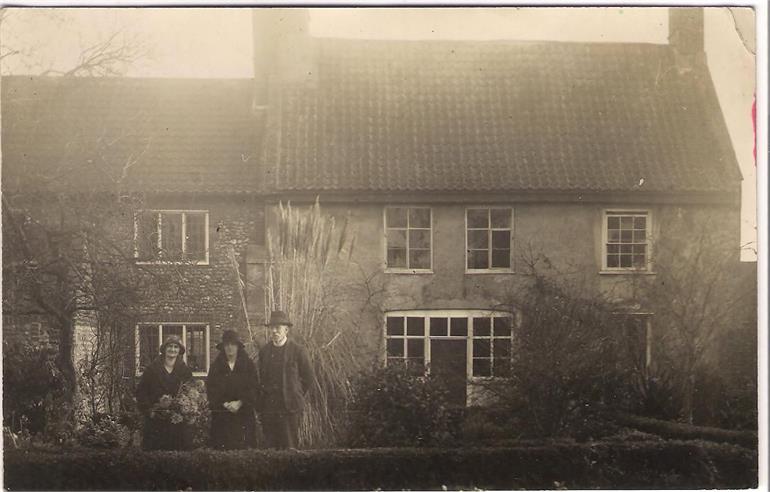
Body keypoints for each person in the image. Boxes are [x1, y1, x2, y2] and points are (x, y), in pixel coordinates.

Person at [258, 310, 315, 449]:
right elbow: (262, 378)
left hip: (290, 408)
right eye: (272, 327)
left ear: (286, 330)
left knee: (289, 447)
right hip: (270, 409)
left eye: (278, 327)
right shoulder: (264, 352)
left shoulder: (298, 351)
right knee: (271, 448)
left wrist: (295, 392)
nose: (274, 331)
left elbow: (308, 377)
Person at [135, 335, 194, 450]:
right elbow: (141, 392)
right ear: (164, 349)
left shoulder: (185, 370)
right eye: (170, 346)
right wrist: (149, 410)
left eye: (176, 347)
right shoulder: (152, 369)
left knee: (178, 454)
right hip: (156, 421)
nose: (172, 349)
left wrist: (185, 409)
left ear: (179, 350)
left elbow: (191, 392)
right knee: (156, 454)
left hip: (178, 422)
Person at [207, 329, 259, 450]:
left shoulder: (248, 365)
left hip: (243, 415)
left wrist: (240, 402)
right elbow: (211, 388)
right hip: (222, 415)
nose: (230, 347)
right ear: (223, 347)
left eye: (233, 344)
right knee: (222, 449)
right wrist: (224, 403)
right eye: (227, 345)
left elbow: (254, 387)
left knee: (243, 449)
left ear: (238, 347)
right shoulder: (216, 367)